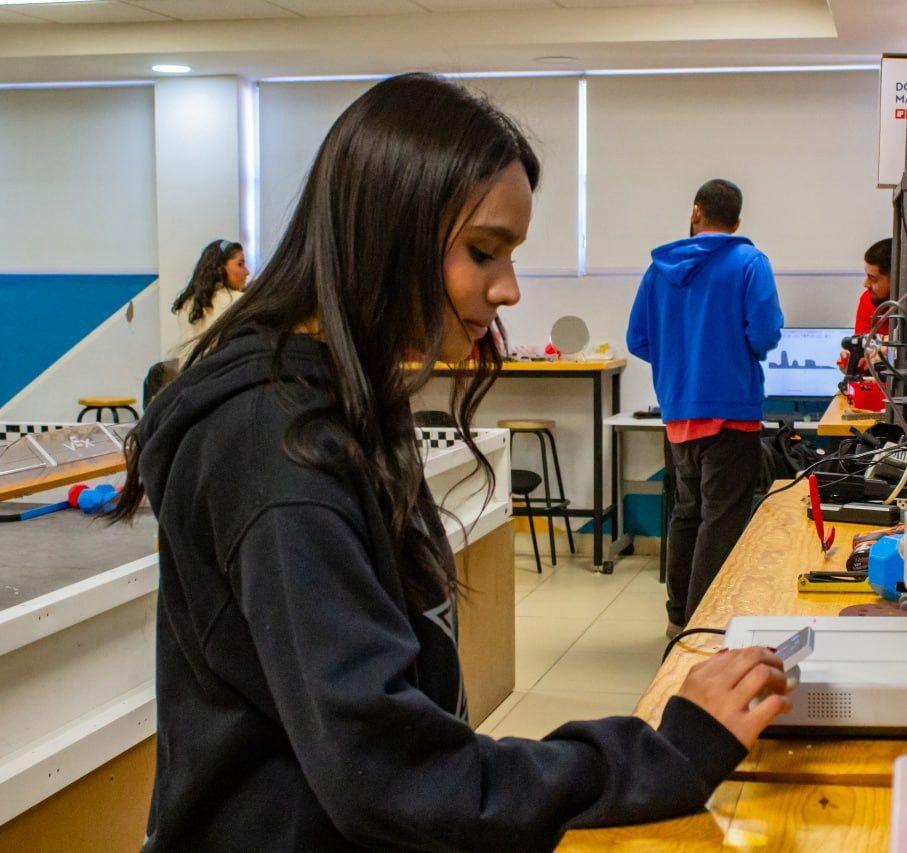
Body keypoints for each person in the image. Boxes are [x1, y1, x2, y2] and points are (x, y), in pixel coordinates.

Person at [108, 75, 791, 851]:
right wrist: (663, 753)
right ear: (386, 231)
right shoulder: (276, 454)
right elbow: (396, 774)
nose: (507, 288)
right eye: (482, 251)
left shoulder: (344, 400)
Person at [626, 179, 784, 638]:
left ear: (696, 212)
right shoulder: (750, 262)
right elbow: (765, 336)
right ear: (737, 222)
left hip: (678, 414)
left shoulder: (659, 269)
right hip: (732, 413)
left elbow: (638, 338)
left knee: (687, 512)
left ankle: (679, 615)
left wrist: (682, 360)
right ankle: (704, 623)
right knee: (723, 515)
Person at [844, 238, 907, 373]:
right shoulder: (869, 300)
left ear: (899, 278)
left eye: (873, 278)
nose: (865, 284)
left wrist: (895, 344)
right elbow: (865, 360)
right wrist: (852, 364)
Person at [171, 238, 250, 354]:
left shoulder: (185, 303)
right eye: (240, 264)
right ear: (220, 267)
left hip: (187, 370)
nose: (247, 271)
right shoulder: (238, 301)